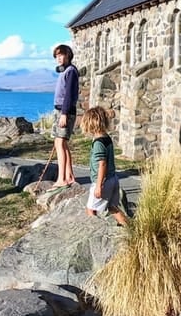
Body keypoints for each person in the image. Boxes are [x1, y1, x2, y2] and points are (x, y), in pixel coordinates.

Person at [80, 106, 128, 226]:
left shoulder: (98, 143)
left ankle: (93, 230)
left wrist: (98, 185)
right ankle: (129, 227)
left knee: (91, 209)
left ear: (91, 124)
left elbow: (102, 164)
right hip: (113, 179)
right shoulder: (107, 138)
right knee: (112, 207)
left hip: (103, 181)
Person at [51, 44, 79, 187]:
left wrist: (64, 114)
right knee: (60, 143)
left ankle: (61, 178)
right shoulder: (64, 71)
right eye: (57, 56)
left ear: (68, 55)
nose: (59, 58)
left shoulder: (71, 71)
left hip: (65, 111)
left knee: (60, 143)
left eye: (61, 55)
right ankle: (69, 176)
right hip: (59, 111)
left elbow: (68, 95)